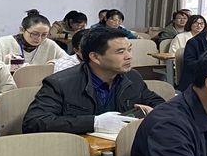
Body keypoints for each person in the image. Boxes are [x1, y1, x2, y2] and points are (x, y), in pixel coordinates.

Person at [22, 28, 164, 134]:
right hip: (79, 151)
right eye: (120, 52)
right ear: (95, 57)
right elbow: (34, 122)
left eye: (129, 50)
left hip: (123, 149)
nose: (129, 56)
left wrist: (153, 112)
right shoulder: (60, 82)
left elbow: (159, 104)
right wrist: (94, 123)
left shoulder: (132, 77)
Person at [0, 9, 67, 69]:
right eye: (34, 34)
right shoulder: (4, 43)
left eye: (44, 35)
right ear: (22, 30)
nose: (39, 39)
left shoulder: (49, 44)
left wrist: (55, 63)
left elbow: (68, 61)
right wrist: (15, 67)